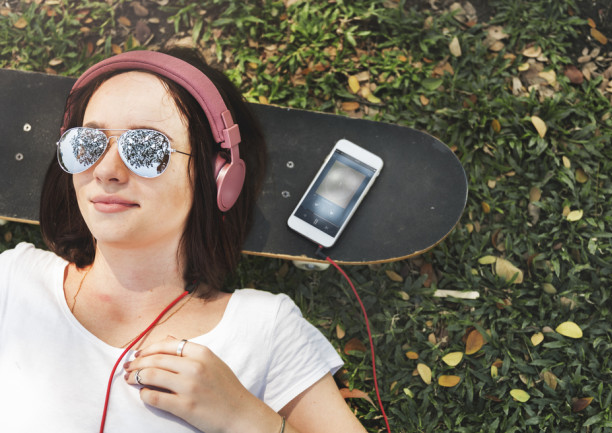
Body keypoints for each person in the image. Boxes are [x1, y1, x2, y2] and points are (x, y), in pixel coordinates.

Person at [0, 47, 367, 433]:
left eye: (145, 149)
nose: (106, 169)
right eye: (87, 143)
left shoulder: (264, 328)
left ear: (218, 176)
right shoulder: (14, 280)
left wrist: (243, 417)